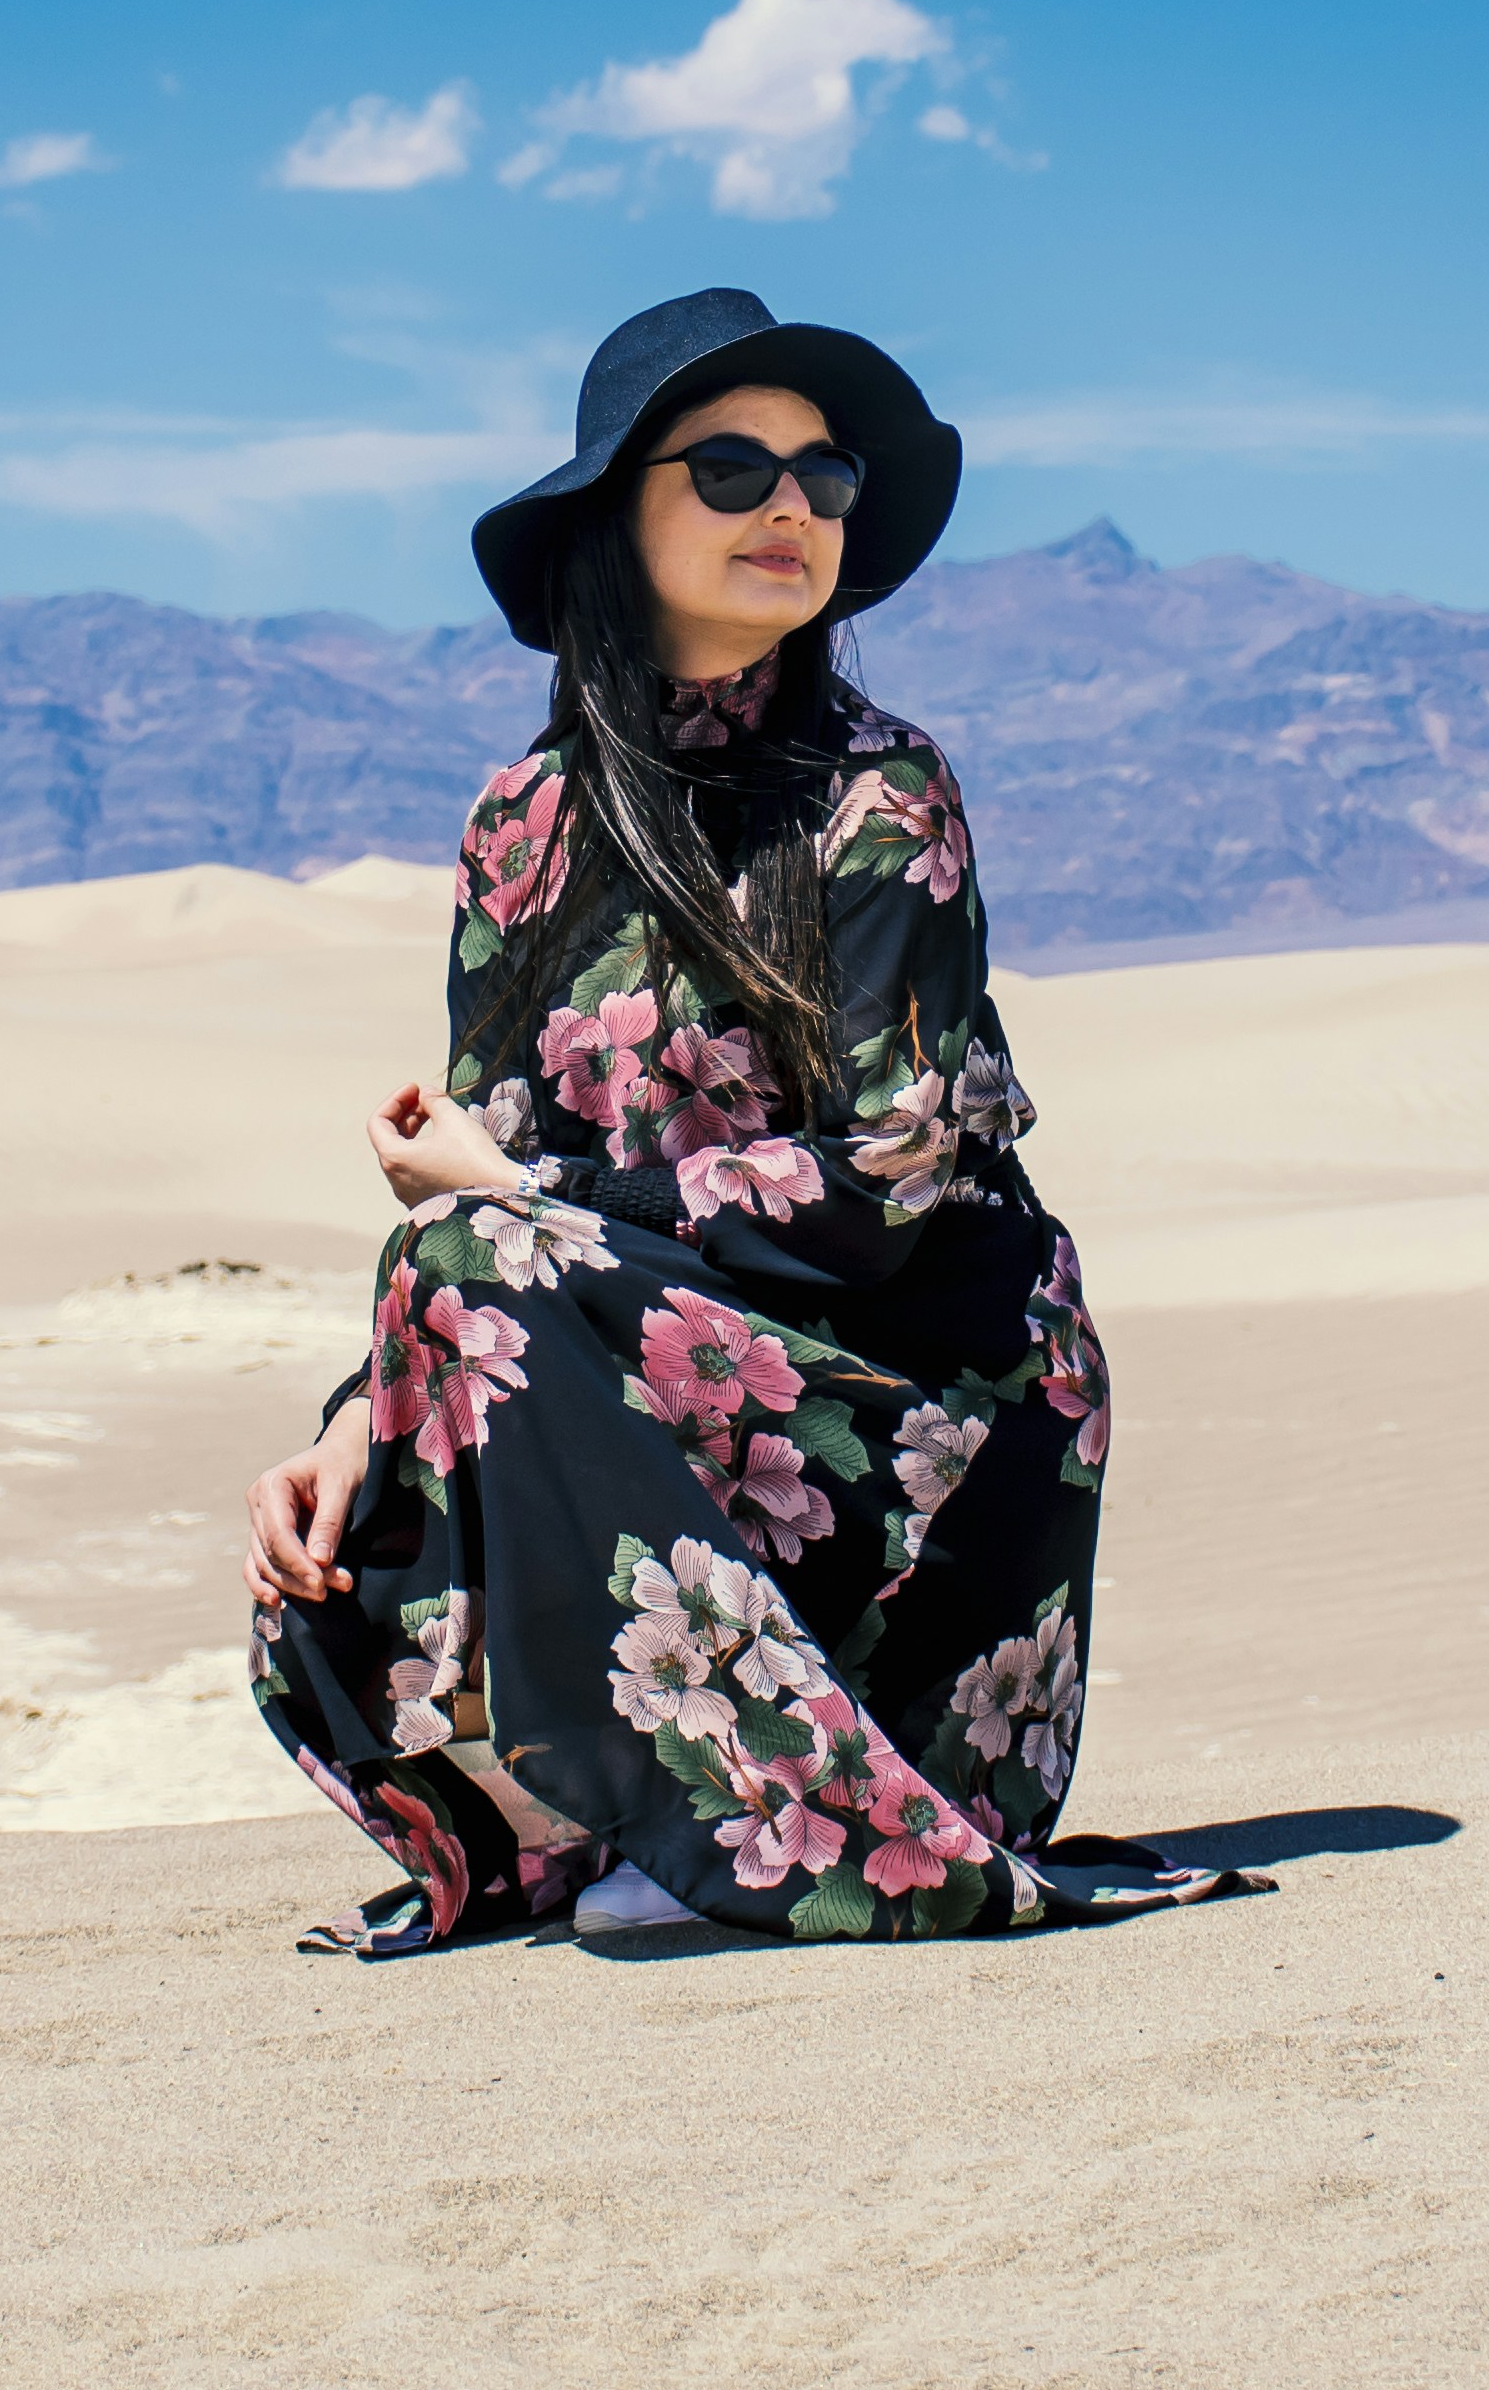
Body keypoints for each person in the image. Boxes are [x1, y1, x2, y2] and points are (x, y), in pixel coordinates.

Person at [239, 286, 1265, 1955]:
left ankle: (758, 1815)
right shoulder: (522, 822)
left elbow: (890, 1183)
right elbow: (491, 1208)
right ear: (611, 519)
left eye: (826, 477)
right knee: (383, 1432)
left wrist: (520, 1189)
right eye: (729, 468)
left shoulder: (883, 792)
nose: (794, 507)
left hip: (930, 1402)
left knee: (476, 1241)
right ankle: (607, 1813)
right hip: (673, 1382)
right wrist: (361, 1418)